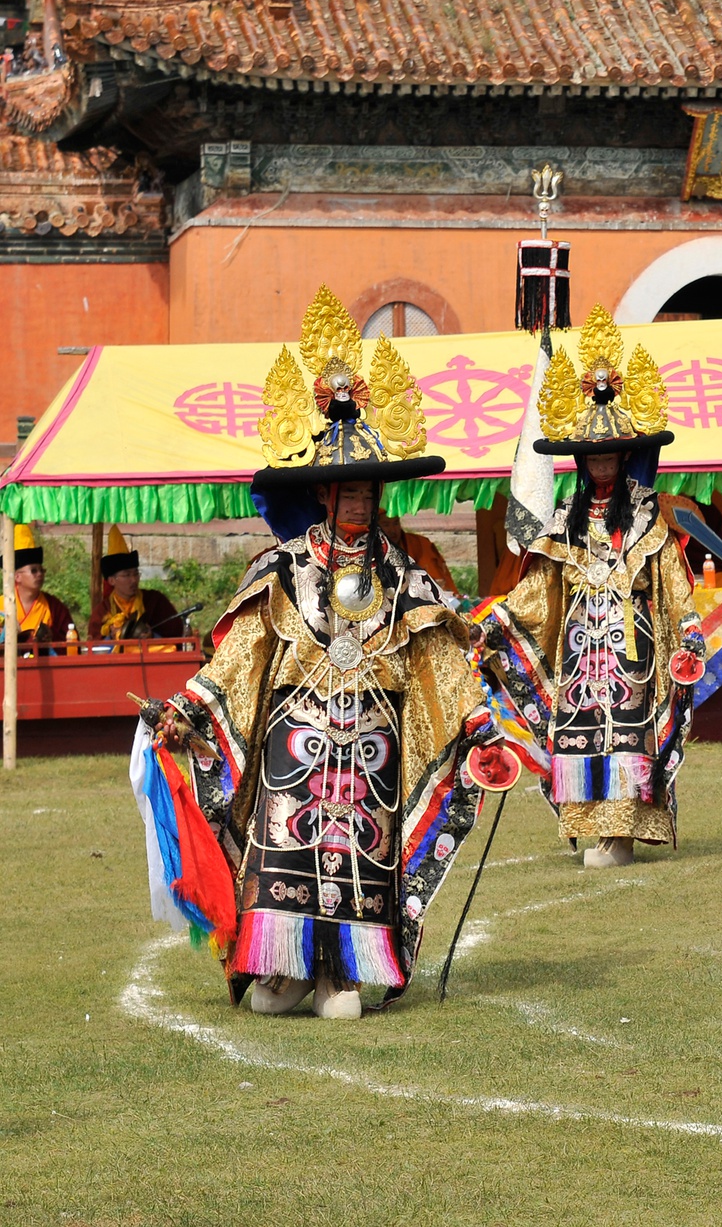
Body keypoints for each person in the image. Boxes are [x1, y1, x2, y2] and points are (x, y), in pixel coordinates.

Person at [152, 285, 499, 1019]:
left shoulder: (404, 579)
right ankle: (280, 967)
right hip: (294, 749)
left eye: (366, 492)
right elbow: (240, 656)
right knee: (286, 855)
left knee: (362, 858)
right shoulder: (280, 570)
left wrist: (477, 721)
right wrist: (188, 708)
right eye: (343, 490)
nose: (355, 503)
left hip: (371, 749)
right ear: (322, 492)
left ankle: (343, 972)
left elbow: (440, 658)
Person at [476, 305, 706, 868]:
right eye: (592, 456)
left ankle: (622, 832)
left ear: (625, 456)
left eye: (609, 455)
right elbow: (536, 594)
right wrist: (494, 625)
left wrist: (690, 634)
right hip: (580, 647)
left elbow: (673, 583)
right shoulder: (563, 523)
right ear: (580, 462)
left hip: (634, 645)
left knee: (628, 728)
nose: (601, 465)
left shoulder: (650, 518)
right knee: (579, 730)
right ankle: (594, 827)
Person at [88, 525, 188, 641]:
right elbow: (94, 645)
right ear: (111, 580)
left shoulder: (155, 601)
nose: (134, 580)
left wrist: (152, 636)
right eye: (127, 575)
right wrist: (111, 637)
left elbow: (175, 633)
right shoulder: (102, 611)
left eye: (136, 574)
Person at [9, 523, 75, 654]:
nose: (39, 574)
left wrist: (51, 639)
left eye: (41, 570)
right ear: (17, 577)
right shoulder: (2, 605)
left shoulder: (54, 607)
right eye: (33, 571)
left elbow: (72, 645)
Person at [378, 514, 459, 595]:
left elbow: (436, 579)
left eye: (396, 523)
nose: (393, 530)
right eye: (386, 525)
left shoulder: (418, 544)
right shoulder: (371, 549)